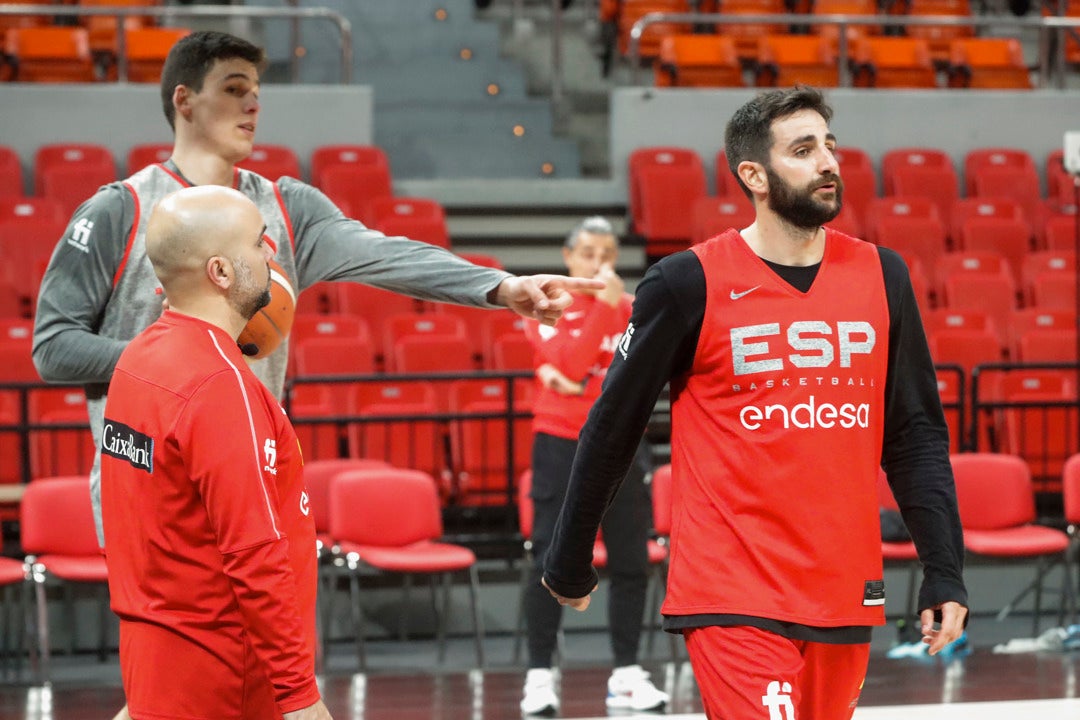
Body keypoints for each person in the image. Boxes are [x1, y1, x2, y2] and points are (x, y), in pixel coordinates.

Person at [31, 30, 601, 548]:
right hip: (149, 481)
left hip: (252, 477)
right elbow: (53, 346)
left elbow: (386, 254)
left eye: (256, 90)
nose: (253, 104)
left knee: (278, 657)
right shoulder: (118, 209)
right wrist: (170, 360)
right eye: (233, 89)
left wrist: (500, 286)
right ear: (184, 101)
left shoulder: (288, 206)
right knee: (174, 662)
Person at [540, 86, 969, 720]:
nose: (828, 162)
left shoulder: (884, 275)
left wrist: (944, 568)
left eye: (830, 145)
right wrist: (570, 555)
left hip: (843, 586)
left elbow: (913, 435)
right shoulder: (685, 281)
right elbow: (613, 422)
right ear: (754, 175)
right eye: (803, 149)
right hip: (733, 587)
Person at [100, 185, 331, 719]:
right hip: (227, 676)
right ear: (222, 273)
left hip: (158, 657)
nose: (271, 253)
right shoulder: (220, 386)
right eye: (257, 243)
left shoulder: (138, 359)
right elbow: (254, 551)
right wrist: (299, 696)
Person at [519, 217, 669, 715]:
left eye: (607, 254)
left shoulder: (635, 310)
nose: (599, 264)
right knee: (547, 556)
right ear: (568, 258)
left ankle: (627, 674)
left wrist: (576, 380)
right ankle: (540, 675)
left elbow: (633, 380)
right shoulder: (547, 306)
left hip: (625, 447)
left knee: (631, 559)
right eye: (587, 253)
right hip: (561, 444)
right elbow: (569, 365)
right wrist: (603, 317)